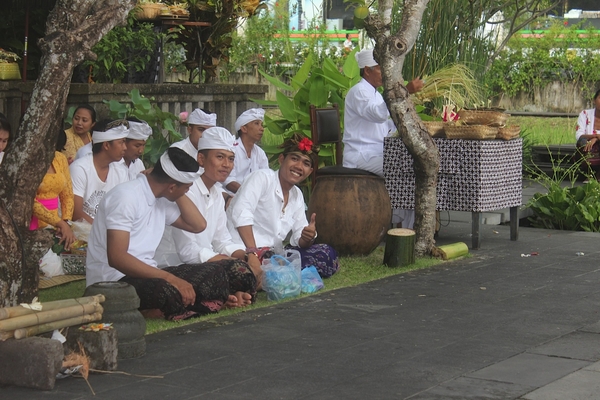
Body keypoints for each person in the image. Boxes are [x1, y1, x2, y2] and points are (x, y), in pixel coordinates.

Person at [86, 147, 256, 320]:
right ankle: (207, 300)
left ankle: (208, 300)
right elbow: (117, 258)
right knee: (167, 291)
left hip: (152, 274)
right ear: (172, 186)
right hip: (113, 281)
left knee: (224, 271)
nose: (188, 192)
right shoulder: (125, 197)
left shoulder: (162, 197)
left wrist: (177, 191)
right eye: (187, 188)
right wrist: (171, 279)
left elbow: (198, 225)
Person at [154, 127, 260, 300]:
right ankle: (230, 294)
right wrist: (233, 263)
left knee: (254, 265)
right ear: (201, 159)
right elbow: (188, 252)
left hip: (205, 264)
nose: (226, 164)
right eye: (220, 157)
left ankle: (232, 295)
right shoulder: (185, 190)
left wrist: (249, 256)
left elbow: (222, 240)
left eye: (231, 159)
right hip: (173, 265)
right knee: (236, 272)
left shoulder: (217, 194)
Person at [227, 133, 339, 278]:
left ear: (310, 172)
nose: (299, 167)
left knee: (325, 253)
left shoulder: (297, 195)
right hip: (244, 250)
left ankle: (275, 271)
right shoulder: (262, 178)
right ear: (281, 160)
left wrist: (308, 236)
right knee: (265, 266)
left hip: (273, 254)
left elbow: (300, 238)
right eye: (294, 159)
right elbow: (241, 214)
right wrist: (252, 252)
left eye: (306, 163)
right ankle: (269, 271)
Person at [343, 48, 423, 229]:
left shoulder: (375, 92)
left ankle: (404, 229)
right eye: (380, 68)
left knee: (412, 165)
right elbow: (377, 115)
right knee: (407, 169)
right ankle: (405, 229)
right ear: (367, 70)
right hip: (360, 156)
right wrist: (406, 90)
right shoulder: (359, 92)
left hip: (376, 153)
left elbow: (385, 124)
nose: (385, 73)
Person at [69, 120, 129, 223]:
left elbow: (123, 208)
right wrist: (104, 231)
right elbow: (76, 213)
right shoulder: (79, 168)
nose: (125, 148)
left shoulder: (121, 171)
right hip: (80, 232)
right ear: (106, 145)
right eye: (121, 142)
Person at [30, 129, 76, 250]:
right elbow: (29, 201)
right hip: (32, 220)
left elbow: (68, 195)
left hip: (56, 223)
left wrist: (66, 222)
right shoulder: (28, 161)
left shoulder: (60, 158)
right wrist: (59, 223)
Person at [223, 108, 269, 197]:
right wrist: (249, 194)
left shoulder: (260, 153)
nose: (262, 129)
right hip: (231, 198)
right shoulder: (231, 150)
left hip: (254, 197)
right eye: (256, 124)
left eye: (261, 125)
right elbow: (228, 181)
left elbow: (266, 179)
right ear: (244, 129)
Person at [576, 89, 600, 153]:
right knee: (582, 141)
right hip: (589, 149)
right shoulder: (585, 114)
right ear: (594, 100)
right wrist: (596, 136)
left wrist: (596, 139)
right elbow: (579, 135)